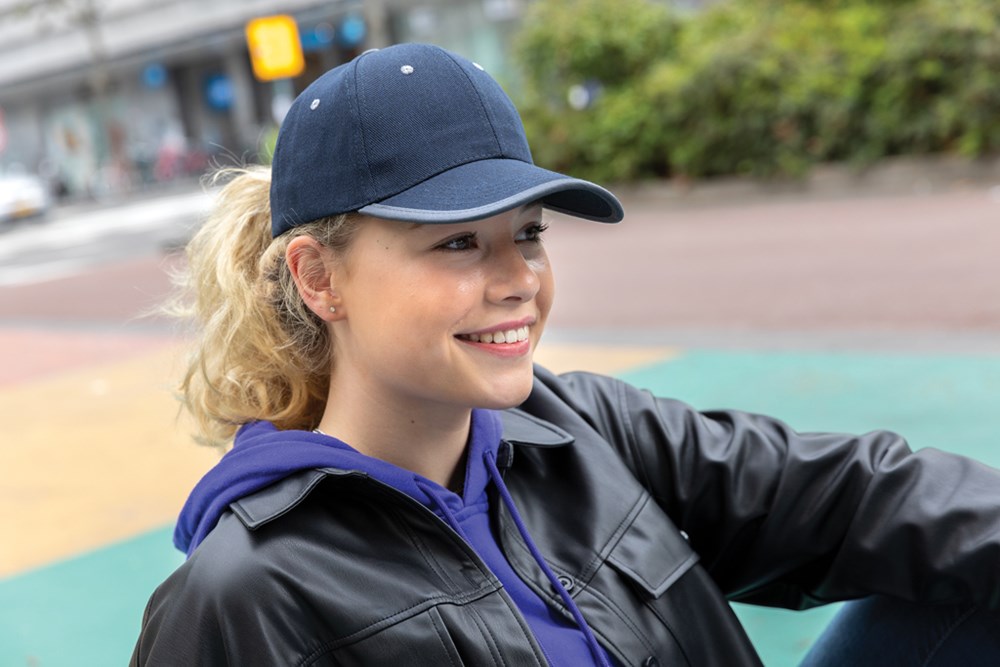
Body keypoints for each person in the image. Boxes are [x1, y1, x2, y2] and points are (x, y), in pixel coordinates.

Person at [131, 43, 1000, 666]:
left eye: (529, 233)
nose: (519, 279)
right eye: (458, 243)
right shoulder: (244, 596)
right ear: (320, 278)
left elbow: (851, 496)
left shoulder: (581, 427)